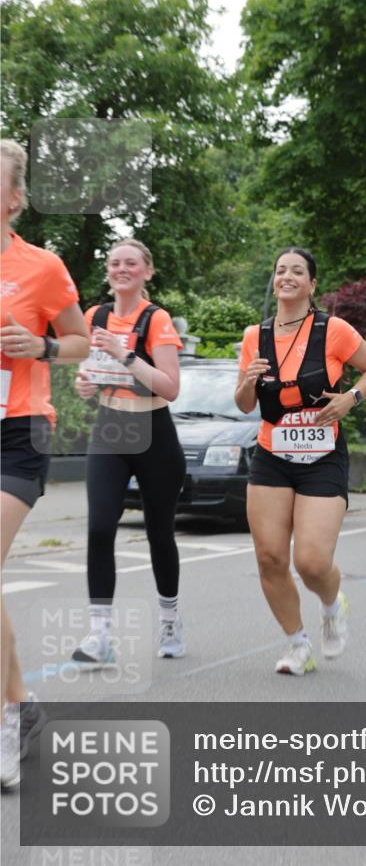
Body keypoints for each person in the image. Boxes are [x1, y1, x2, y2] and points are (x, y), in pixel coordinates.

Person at [235, 248, 366, 676]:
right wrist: (248, 381)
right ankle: (298, 645)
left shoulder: (332, 329)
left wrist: (350, 399)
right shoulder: (255, 336)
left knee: (312, 562)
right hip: (272, 455)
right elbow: (244, 404)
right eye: (280, 270)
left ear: (311, 284)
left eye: (297, 271)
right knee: (270, 558)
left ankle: (332, 605)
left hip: (322, 457)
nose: (287, 276)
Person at [0, 139, 89, 790]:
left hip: (19, 431)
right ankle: (22, 705)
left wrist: (42, 345)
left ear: (14, 199)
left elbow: (80, 341)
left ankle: (8, 720)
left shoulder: (42, 267)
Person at [71, 239, 186, 664]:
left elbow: (170, 387)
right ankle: (100, 635)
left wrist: (124, 353)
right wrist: (84, 384)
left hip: (154, 432)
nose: (121, 269)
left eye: (131, 263)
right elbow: (88, 371)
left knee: (159, 533)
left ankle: (170, 619)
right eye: (115, 262)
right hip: (110, 429)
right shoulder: (94, 316)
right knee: (100, 528)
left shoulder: (157, 319)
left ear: (147, 271)